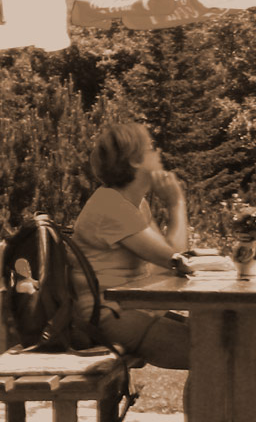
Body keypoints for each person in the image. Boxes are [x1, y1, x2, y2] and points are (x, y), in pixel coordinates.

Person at [73, 122, 192, 371]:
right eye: (151, 148)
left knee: (220, 342)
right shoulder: (111, 206)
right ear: (136, 161)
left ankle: (206, 411)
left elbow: (168, 264)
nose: (158, 153)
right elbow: (175, 258)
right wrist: (176, 204)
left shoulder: (133, 205)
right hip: (107, 315)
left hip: (128, 309)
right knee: (215, 351)